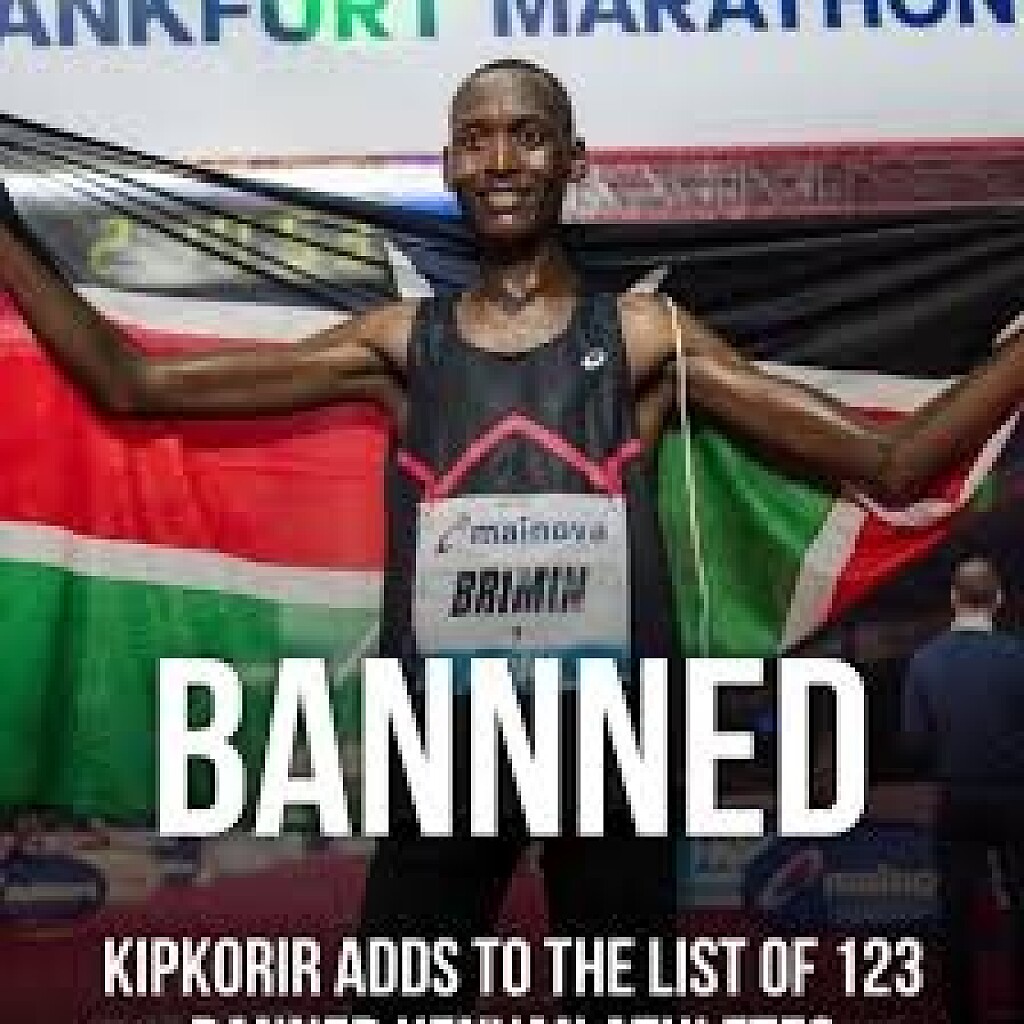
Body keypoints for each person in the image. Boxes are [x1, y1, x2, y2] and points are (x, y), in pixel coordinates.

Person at [2, 58, 1024, 1018]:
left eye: (528, 136)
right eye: (477, 138)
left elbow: (891, 462)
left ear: (573, 161)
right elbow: (131, 384)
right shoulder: (402, 344)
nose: (500, 159)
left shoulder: (642, 336)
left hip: (615, 751)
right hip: (447, 752)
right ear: (449, 162)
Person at [902, 557, 1024, 1024]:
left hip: (956, 796)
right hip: (1015, 798)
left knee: (955, 912)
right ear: (999, 600)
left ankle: (961, 1013)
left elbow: (914, 742)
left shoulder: (925, 660)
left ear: (953, 599)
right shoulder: (1018, 657)